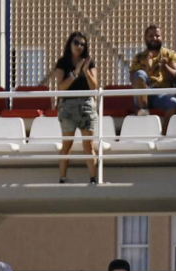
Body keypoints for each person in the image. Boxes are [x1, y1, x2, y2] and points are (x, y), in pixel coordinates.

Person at [49, 32, 100, 184]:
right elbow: (61, 87)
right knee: (67, 144)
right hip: (68, 106)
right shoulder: (62, 62)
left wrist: (85, 72)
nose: (79, 47)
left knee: (88, 144)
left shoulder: (89, 63)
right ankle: (63, 178)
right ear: (70, 44)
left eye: (82, 44)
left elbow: (94, 87)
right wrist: (75, 73)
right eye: (76, 43)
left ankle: (93, 179)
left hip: (86, 105)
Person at [130, 24, 176, 115]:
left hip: (163, 94)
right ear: (145, 39)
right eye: (150, 36)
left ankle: (165, 130)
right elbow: (134, 81)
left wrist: (165, 67)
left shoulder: (170, 55)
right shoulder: (139, 57)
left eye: (157, 36)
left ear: (162, 37)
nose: (154, 38)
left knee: (174, 102)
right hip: (144, 96)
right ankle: (144, 111)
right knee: (140, 73)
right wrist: (147, 69)